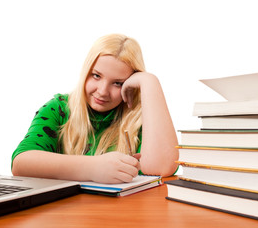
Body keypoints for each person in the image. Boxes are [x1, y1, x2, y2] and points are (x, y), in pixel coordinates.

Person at [11, 34, 179, 184]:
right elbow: (21, 163)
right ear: (85, 72)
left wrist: (149, 81)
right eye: (96, 76)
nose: (102, 91)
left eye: (118, 83)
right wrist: (93, 168)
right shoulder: (58, 108)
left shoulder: (141, 118)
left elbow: (161, 168)